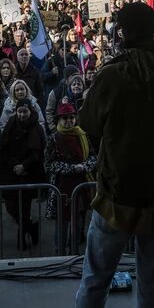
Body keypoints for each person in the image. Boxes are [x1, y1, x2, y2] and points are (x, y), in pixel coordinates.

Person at [75, 2, 154, 308]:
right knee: (152, 285)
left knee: (95, 281)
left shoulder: (111, 76)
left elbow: (87, 126)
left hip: (117, 196)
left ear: (122, 33)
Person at [44, 102, 97, 255]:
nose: (69, 121)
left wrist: (84, 166)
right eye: (65, 118)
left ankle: (74, 252)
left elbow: (93, 157)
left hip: (81, 185)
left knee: (79, 222)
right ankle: (59, 253)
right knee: (62, 223)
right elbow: (49, 164)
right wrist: (71, 168)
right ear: (59, 120)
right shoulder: (53, 138)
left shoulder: (83, 135)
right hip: (61, 186)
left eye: (71, 118)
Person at [0, 98, 46, 250]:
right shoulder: (11, 124)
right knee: (11, 207)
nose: (22, 114)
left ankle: (22, 239)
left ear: (30, 111)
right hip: (10, 172)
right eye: (20, 111)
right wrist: (14, 165)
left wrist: (24, 165)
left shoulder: (36, 127)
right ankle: (31, 228)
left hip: (28, 173)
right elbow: (4, 146)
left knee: (24, 207)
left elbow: (37, 151)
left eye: (25, 111)